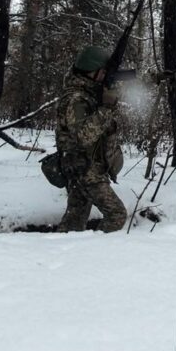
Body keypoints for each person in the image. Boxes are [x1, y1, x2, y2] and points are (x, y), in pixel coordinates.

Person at [54, 45, 127, 233]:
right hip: (85, 171)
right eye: (102, 72)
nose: (104, 76)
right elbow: (82, 137)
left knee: (74, 222)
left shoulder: (89, 93)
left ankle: (62, 254)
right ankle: (94, 254)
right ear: (91, 72)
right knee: (116, 215)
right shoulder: (75, 99)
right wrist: (106, 108)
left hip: (86, 167)